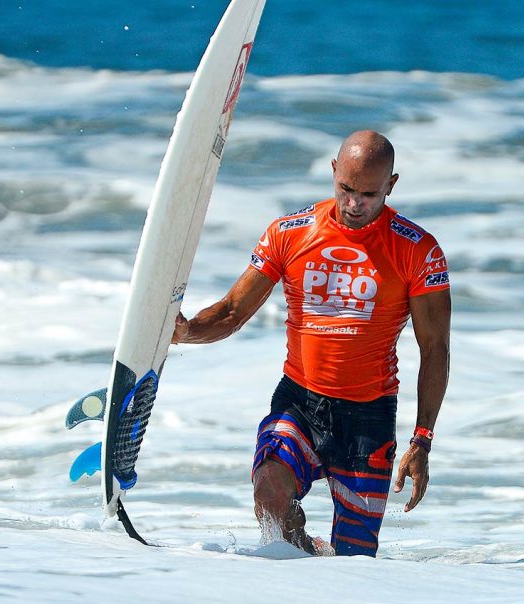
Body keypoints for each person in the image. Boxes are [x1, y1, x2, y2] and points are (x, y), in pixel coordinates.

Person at [172, 130, 450, 557]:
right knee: (269, 489)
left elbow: (435, 349)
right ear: (334, 172)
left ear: (391, 185)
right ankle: (295, 555)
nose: (355, 204)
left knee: (354, 563)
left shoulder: (418, 250)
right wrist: (186, 330)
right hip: (299, 399)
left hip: (368, 416)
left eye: (369, 194)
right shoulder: (289, 233)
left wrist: (423, 439)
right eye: (346, 189)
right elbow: (232, 311)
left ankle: (318, 560)